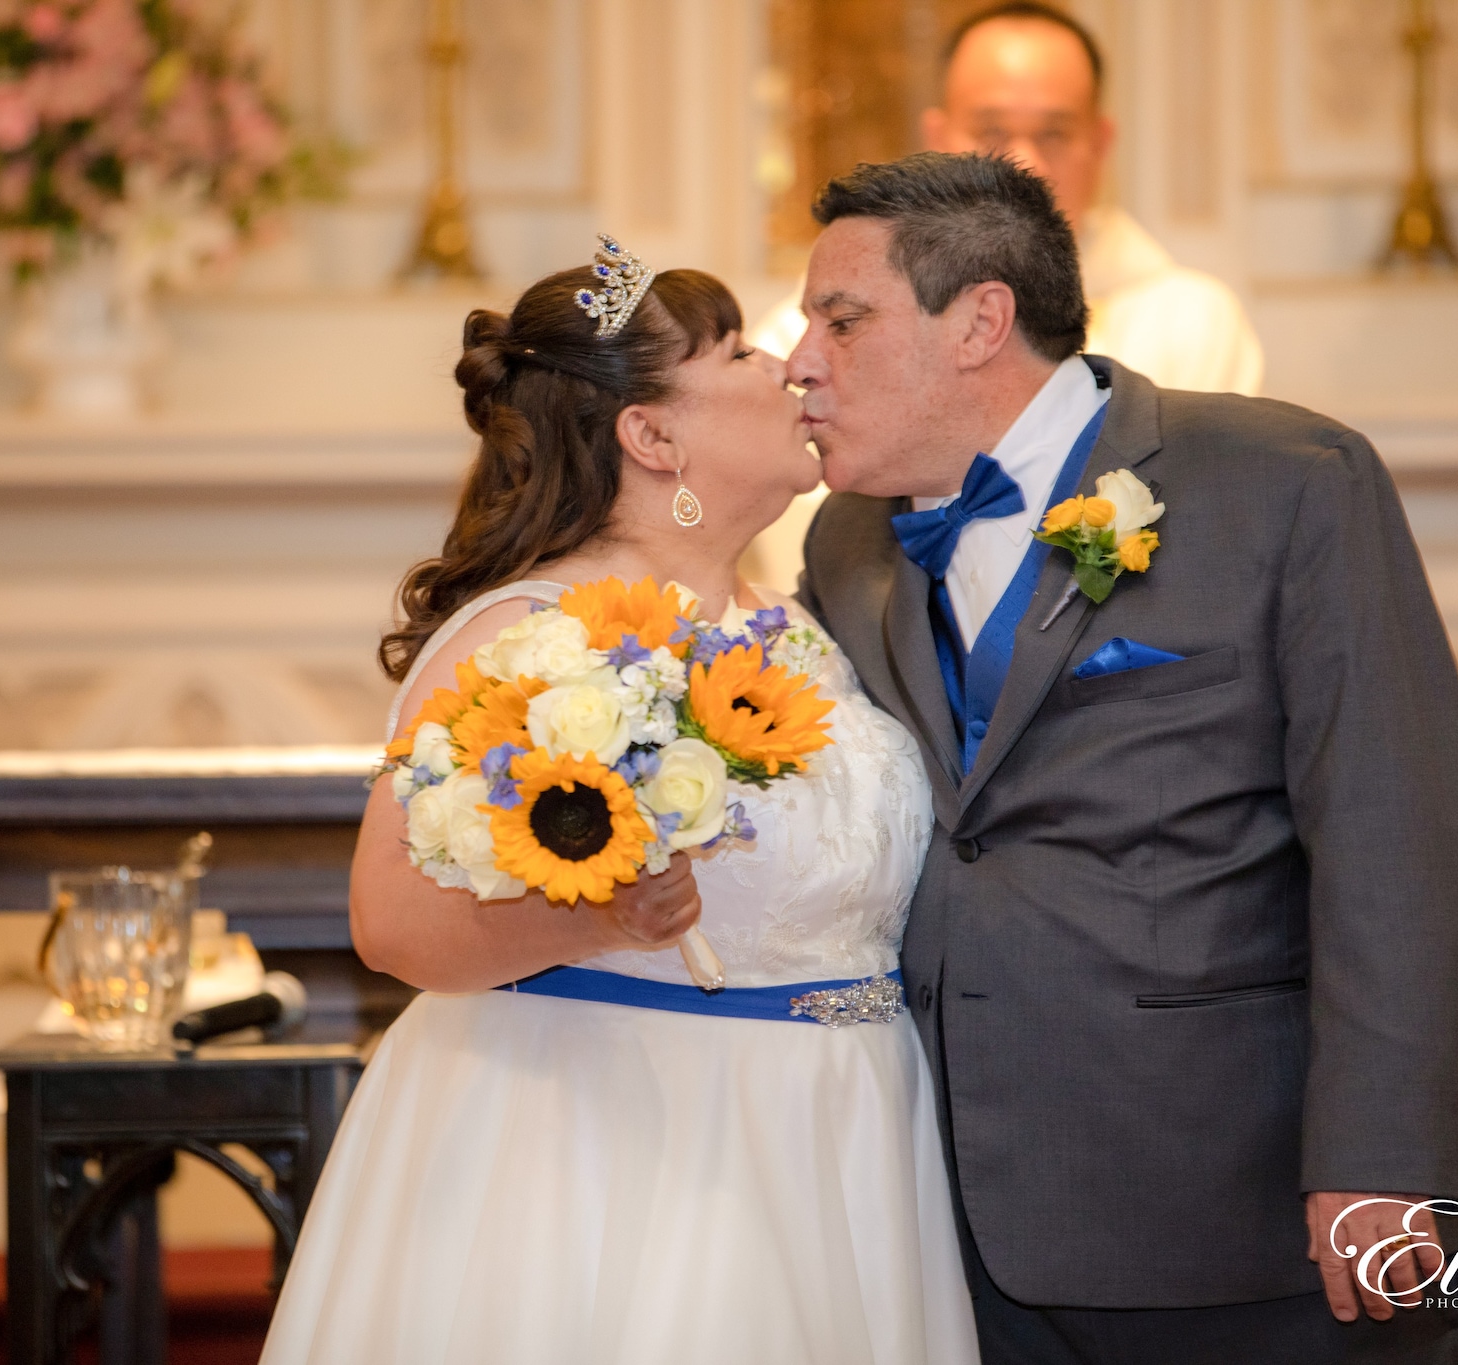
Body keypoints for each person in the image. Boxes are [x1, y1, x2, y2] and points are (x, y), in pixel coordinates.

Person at [790, 152, 1458, 1363]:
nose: (800, 359)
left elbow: (1392, 834)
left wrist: (1381, 1163)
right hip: (945, 1214)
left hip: (1243, 1204)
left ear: (980, 319)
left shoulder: (1284, 484)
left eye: (842, 319)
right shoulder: (847, 538)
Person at [260, 240, 981, 1363]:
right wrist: (601, 913)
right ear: (650, 436)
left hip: (847, 1136)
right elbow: (390, 925)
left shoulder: (804, 618)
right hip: (624, 1150)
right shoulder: (524, 637)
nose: (791, 369)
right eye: (742, 350)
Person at [749, 1, 1263, 590]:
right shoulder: (814, 329)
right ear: (938, 137)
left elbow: (1203, 531)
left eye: (1055, 133)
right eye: (991, 132)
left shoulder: (1188, 318)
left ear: (1100, 141)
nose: (1024, 162)